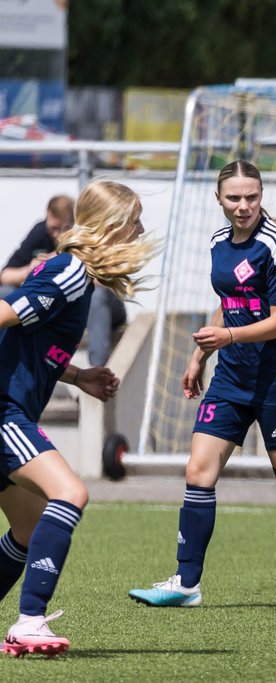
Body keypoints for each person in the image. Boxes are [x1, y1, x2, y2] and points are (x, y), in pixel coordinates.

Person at [127, 161, 276, 609]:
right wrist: (201, 353)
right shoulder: (219, 242)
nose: (243, 206)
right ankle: (186, 583)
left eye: (252, 197)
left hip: (275, 382)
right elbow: (228, 301)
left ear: (262, 196)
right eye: (234, 198)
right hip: (229, 379)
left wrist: (228, 338)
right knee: (198, 473)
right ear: (218, 199)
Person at [0, 180, 152, 656]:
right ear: (111, 226)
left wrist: (80, 374)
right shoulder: (69, 271)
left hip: (12, 408)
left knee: (28, 527)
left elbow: (33, 346)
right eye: (134, 221)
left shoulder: (79, 278)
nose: (141, 230)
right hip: (3, 412)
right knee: (70, 492)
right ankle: (29, 622)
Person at [1, 195, 125, 367]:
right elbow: (5, 275)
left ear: (74, 223)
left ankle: (97, 368)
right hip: (57, 308)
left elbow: (113, 281)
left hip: (106, 305)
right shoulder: (40, 232)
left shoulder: (88, 237)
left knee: (96, 297)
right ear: (47, 216)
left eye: (63, 229)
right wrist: (30, 270)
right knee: (5, 292)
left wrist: (66, 269)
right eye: (52, 228)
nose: (57, 235)